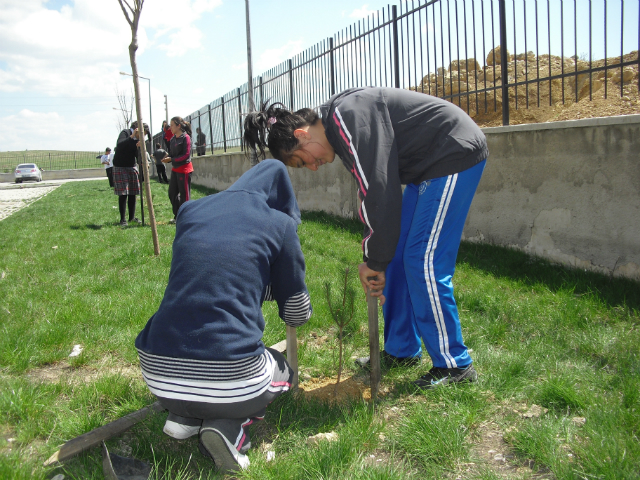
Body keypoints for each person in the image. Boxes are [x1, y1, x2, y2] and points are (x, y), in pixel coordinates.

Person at [244, 87, 488, 389]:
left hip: (452, 153)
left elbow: (380, 190)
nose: (312, 166)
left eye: (301, 160)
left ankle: (455, 366)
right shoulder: (340, 127)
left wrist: (373, 260)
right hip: (425, 169)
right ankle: (402, 350)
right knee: (397, 257)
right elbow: (370, 195)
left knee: (423, 261)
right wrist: (374, 258)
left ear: (302, 135)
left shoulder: (347, 118)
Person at [135, 159, 312, 473]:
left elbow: (208, 273)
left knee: (200, 353)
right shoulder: (279, 224)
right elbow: (295, 312)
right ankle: (228, 428)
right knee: (281, 369)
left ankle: (183, 417)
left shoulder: (190, 211)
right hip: (232, 376)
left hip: (157, 369)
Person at [112, 121, 149, 226]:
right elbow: (119, 145)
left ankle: (132, 218)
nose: (144, 136)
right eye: (143, 134)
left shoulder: (139, 140)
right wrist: (131, 137)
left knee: (133, 192)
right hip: (120, 166)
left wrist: (139, 148)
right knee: (123, 193)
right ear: (137, 130)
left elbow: (137, 157)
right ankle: (122, 220)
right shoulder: (125, 133)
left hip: (131, 166)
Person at [162, 116, 193, 224]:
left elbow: (186, 155)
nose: (170, 128)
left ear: (178, 126)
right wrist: (166, 157)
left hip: (184, 170)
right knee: (172, 193)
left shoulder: (186, 138)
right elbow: (172, 154)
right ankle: (178, 215)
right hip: (175, 170)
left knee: (184, 194)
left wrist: (172, 159)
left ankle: (187, 217)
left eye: (172, 125)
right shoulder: (172, 139)